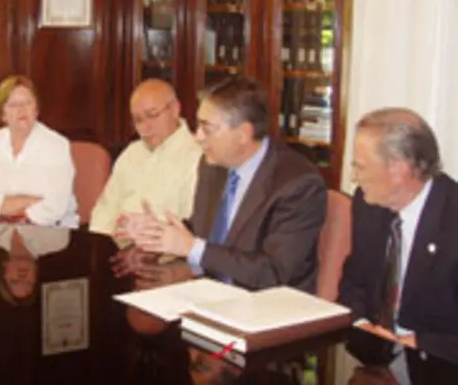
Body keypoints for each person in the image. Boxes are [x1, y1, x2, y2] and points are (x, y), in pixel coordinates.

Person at [130, 76, 326, 292]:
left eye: (207, 128)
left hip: (266, 308)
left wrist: (191, 247)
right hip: (209, 294)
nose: (198, 136)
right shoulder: (213, 165)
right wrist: (159, 233)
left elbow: (274, 272)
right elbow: (203, 232)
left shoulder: (297, 184)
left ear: (242, 134)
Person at [339, 108, 458, 378]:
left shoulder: (453, 219)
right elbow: (353, 280)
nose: (354, 177)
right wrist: (361, 323)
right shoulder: (369, 205)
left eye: (360, 166)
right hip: (375, 358)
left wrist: (419, 343)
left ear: (398, 168)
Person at [90, 79, 202, 248]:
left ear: (175, 109)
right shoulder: (131, 153)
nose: (144, 128)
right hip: (116, 253)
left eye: (152, 115)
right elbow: (104, 211)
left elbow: (192, 228)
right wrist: (99, 248)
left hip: (164, 257)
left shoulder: (198, 157)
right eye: (137, 120)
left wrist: (152, 233)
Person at [0, 75, 78, 228]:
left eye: (28, 102)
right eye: (13, 105)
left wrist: (8, 208)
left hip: (50, 233)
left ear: (36, 109)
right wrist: (29, 201)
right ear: (2, 113)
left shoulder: (57, 145)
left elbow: (55, 207)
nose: (22, 109)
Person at [0, 223, 70, 304]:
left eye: (14, 281)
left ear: (4, 271)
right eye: (28, 282)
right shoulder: (56, 241)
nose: (22, 276)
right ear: (36, 274)